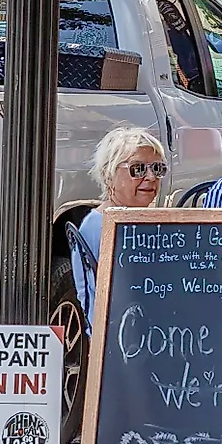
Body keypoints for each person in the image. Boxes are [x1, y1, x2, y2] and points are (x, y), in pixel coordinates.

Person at [72, 126, 168, 323]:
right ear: (109, 174)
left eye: (157, 168)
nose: (150, 177)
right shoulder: (98, 225)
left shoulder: (150, 220)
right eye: (138, 169)